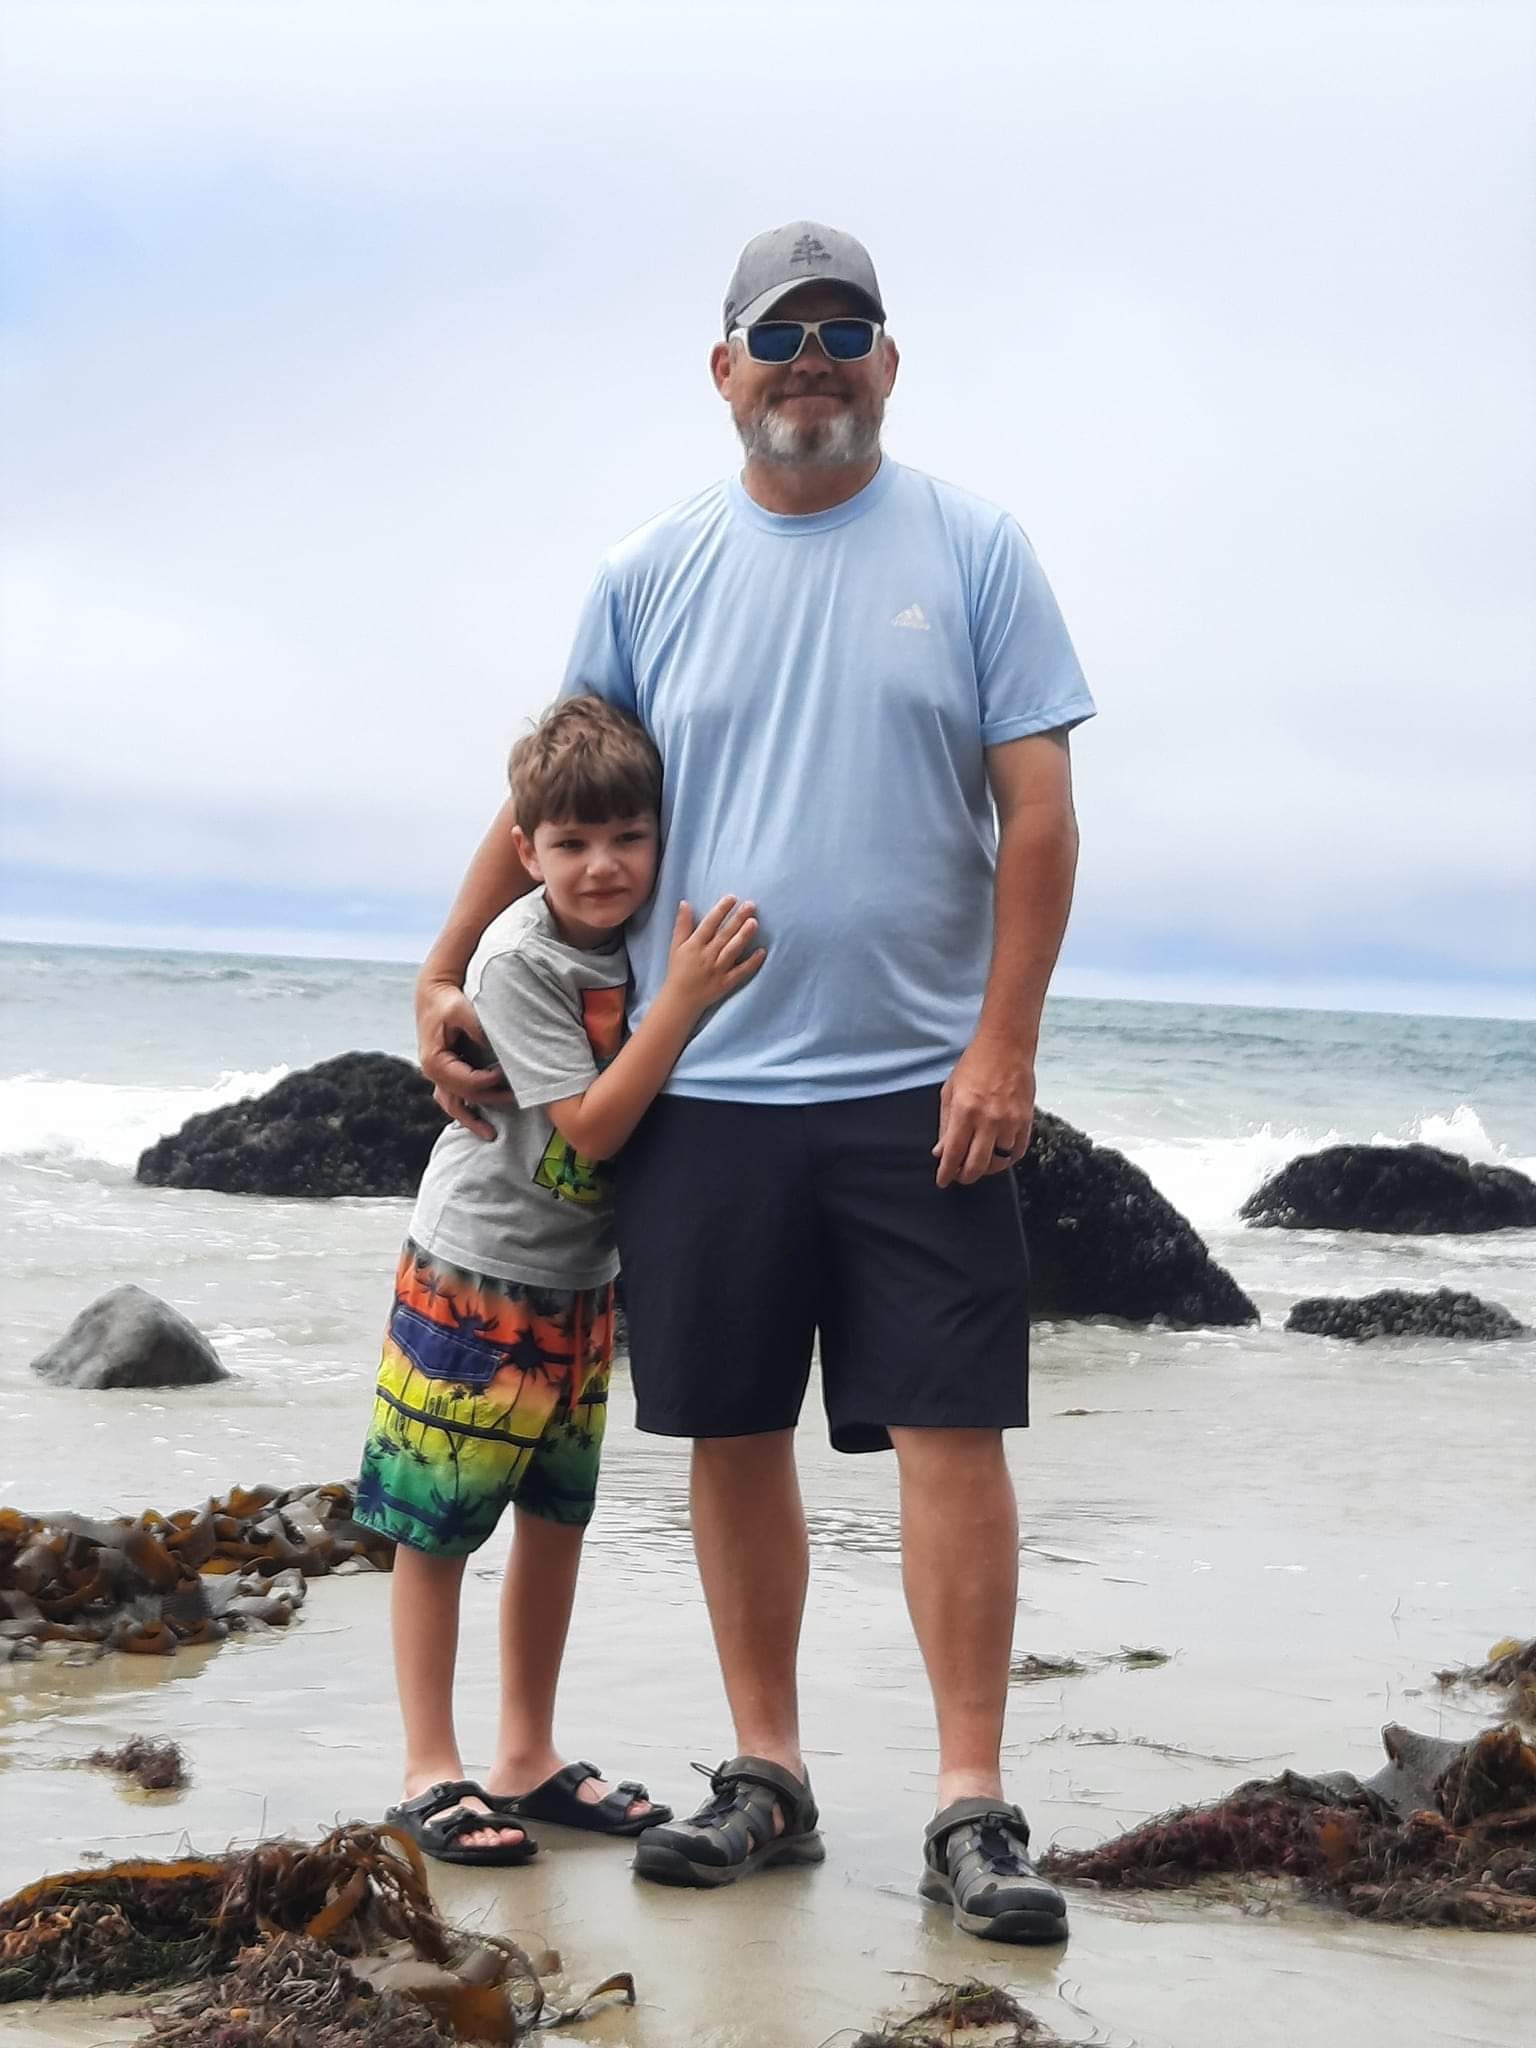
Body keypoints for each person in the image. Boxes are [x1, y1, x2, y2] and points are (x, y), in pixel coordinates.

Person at [414, 222, 1095, 1941]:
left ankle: (969, 1803)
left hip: (920, 1087)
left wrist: (1005, 1040)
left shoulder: (979, 548)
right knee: (731, 1429)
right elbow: (546, 795)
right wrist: (442, 966)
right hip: (701, 1091)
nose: (813, 359)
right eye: (779, 334)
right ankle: (767, 1773)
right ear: (723, 370)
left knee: (952, 1432)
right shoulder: (650, 569)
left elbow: (1037, 812)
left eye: (845, 330)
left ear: (889, 363)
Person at [357, 694, 764, 1865]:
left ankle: (525, 1752)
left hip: (580, 1281)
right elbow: (587, 1127)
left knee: (555, 1519)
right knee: (435, 1526)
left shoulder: (633, 941)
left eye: (628, 837)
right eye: (572, 842)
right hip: (477, 1270)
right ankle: (429, 1766)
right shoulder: (518, 955)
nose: (602, 866)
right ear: (524, 849)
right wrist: (682, 1002)